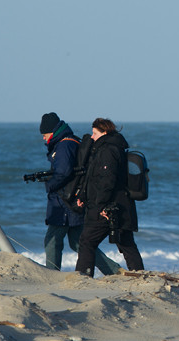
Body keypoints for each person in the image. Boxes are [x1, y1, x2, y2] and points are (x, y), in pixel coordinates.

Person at [39, 112, 121, 274]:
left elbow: (63, 172)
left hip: (64, 202)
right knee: (79, 243)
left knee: (52, 240)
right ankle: (114, 271)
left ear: (52, 132)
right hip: (72, 200)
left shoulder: (63, 145)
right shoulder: (70, 141)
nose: (43, 138)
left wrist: (50, 185)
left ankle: (51, 274)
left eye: (45, 134)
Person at [75, 118, 145, 277]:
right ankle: (140, 275)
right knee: (126, 243)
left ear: (104, 132)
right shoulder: (109, 148)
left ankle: (82, 277)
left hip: (109, 207)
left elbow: (107, 181)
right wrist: (83, 195)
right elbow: (93, 178)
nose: (91, 137)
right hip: (121, 206)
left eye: (95, 133)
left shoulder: (108, 150)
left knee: (87, 242)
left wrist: (100, 206)